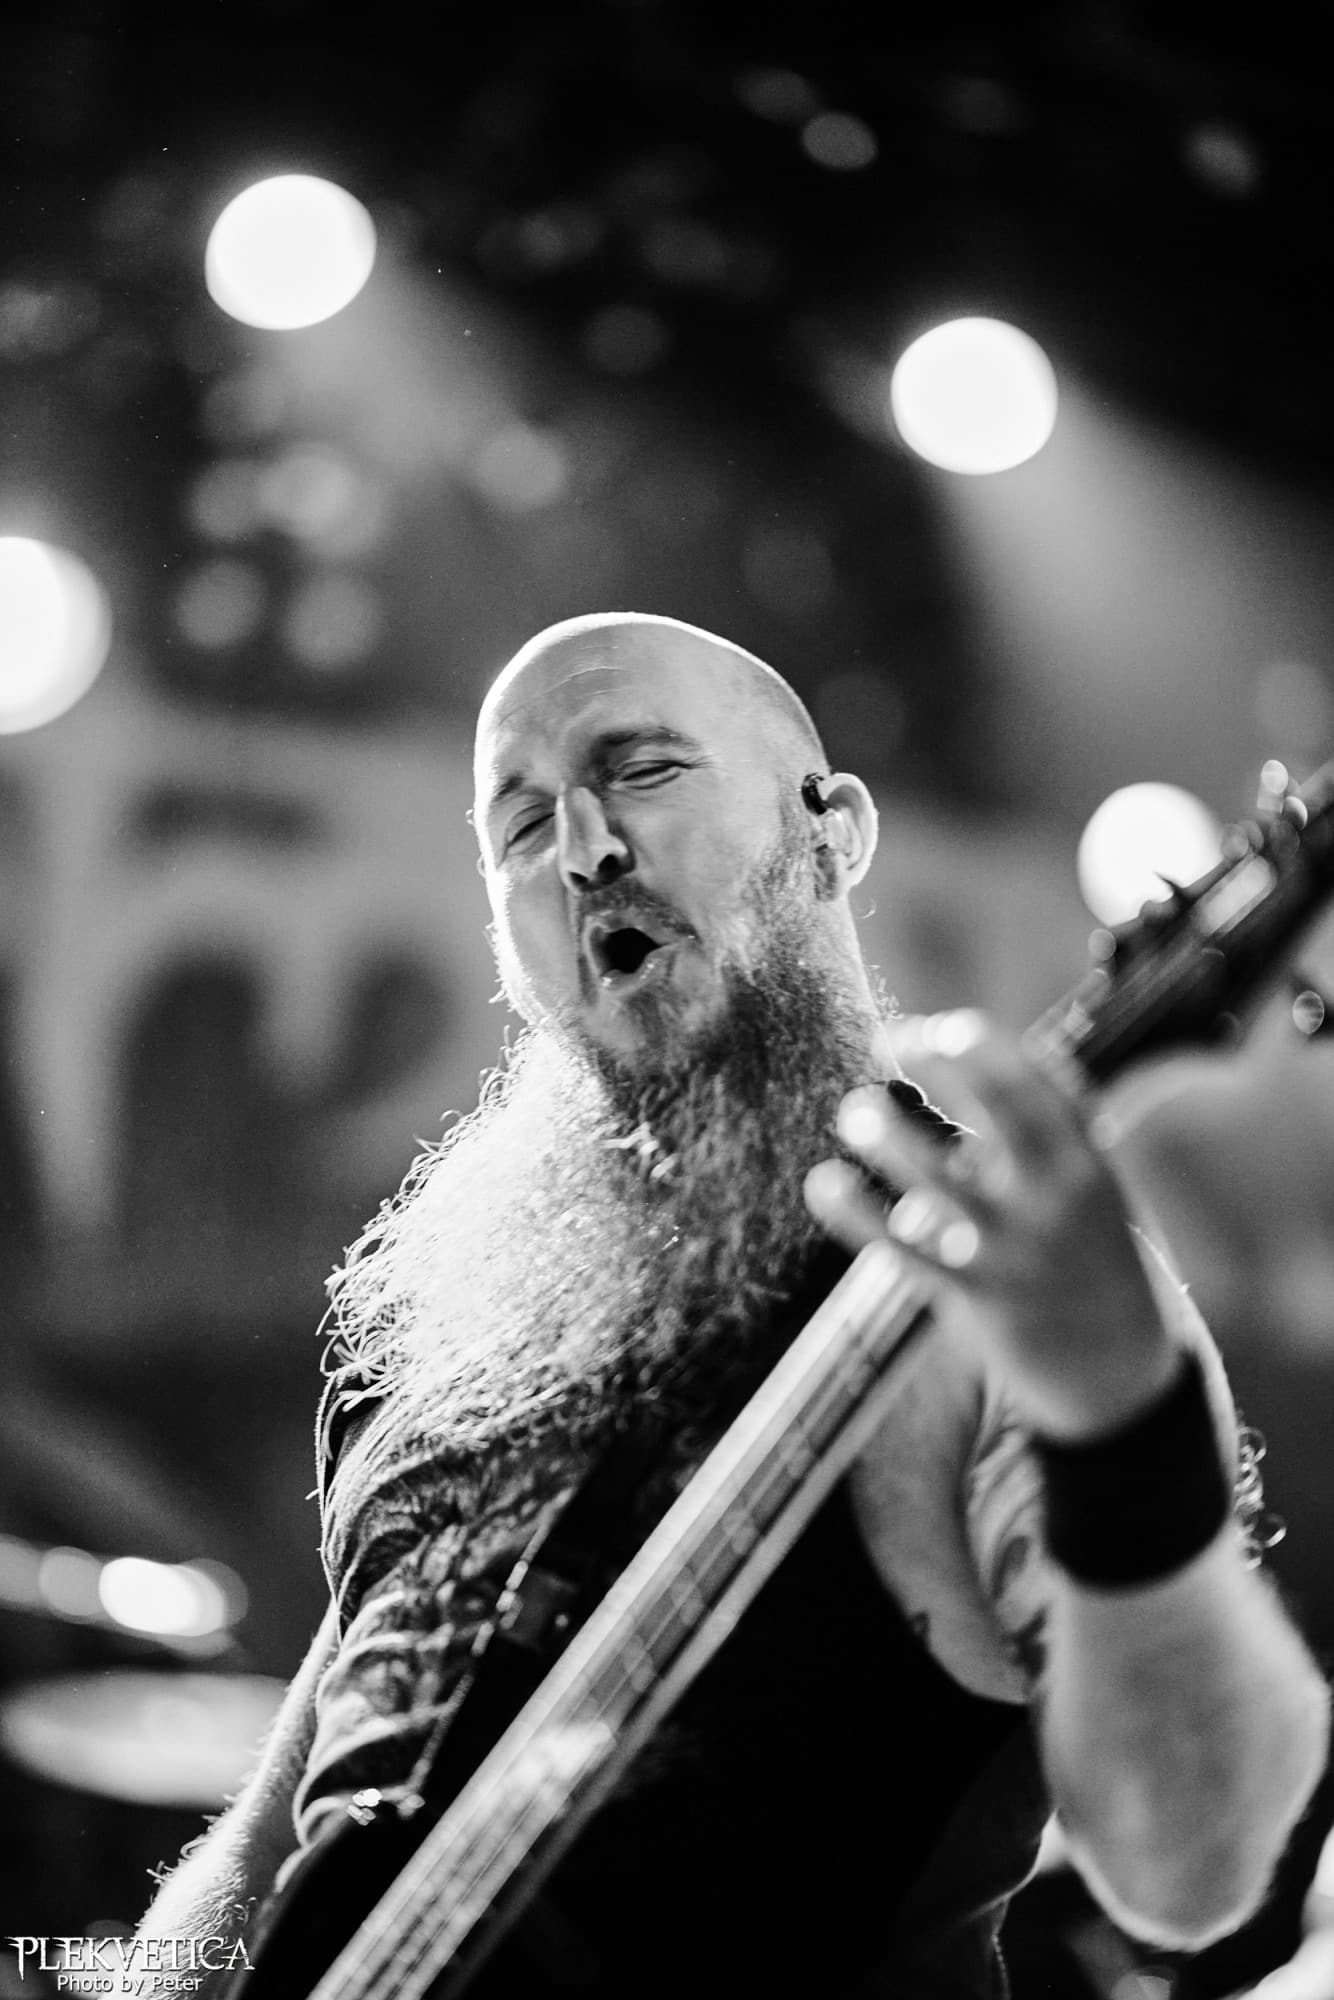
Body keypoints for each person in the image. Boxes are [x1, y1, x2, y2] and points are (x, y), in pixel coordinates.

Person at [135, 612, 1328, 1997]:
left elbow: (1197, 1869)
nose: (583, 849)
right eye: (522, 825)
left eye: (641, 771)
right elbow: (280, 1844)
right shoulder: (442, 1337)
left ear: (834, 832)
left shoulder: (1003, 1285)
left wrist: (1119, 1416)